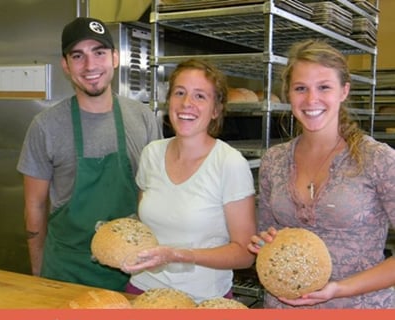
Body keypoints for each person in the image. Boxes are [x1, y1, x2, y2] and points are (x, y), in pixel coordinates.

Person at [17, 17, 162, 291]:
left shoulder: (142, 118)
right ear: (66, 65)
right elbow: (34, 206)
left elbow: (155, 192)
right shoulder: (46, 126)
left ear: (115, 58)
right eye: (78, 56)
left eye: (99, 53)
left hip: (132, 270)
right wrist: (37, 271)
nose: (90, 65)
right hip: (66, 271)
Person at [248, 39, 395, 309]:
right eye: (300, 88)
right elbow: (264, 235)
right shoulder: (275, 160)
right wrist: (264, 242)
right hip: (286, 319)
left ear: (344, 91)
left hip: (358, 314)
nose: (311, 99)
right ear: (288, 94)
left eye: (324, 87)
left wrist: (339, 289)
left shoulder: (378, 159)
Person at [122, 58, 257, 303]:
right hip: (143, 290)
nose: (187, 104)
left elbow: (244, 254)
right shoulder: (151, 153)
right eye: (180, 93)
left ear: (216, 109)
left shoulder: (229, 163)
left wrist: (179, 255)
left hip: (202, 300)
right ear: (169, 100)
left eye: (200, 96)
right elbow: (144, 227)